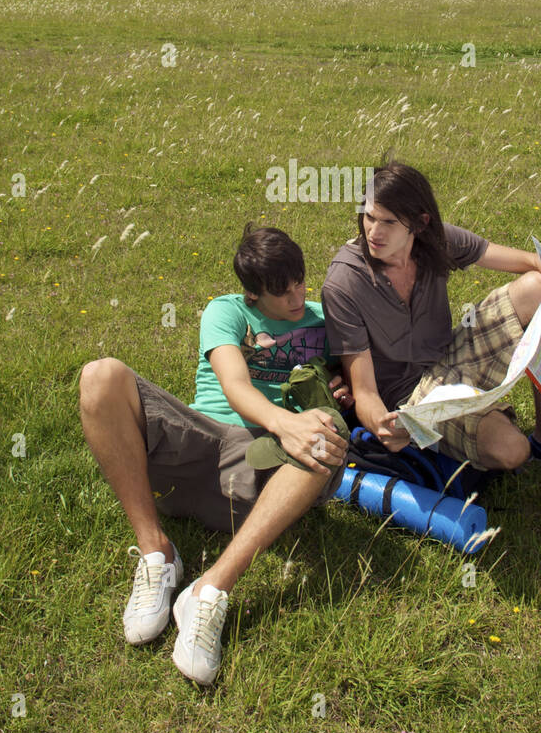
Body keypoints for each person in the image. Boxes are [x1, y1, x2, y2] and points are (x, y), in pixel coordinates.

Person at [79, 223, 351, 687]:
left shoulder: (325, 321)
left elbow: (350, 382)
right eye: (279, 292)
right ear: (251, 294)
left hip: (256, 473)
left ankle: (209, 590)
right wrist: (285, 422)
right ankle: (157, 554)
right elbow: (235, 386)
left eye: (300, 283)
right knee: (101, 375)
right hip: (200, 441)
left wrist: (335, 393)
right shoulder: (225, 311)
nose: (294, 299)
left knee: (331, 437)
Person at [321, 161, 541, 480]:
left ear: (419, 223)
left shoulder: (435, 241)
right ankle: (481, 429)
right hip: (411, 398)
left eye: (388, 222)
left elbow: (521, 259)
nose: (374, 231)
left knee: (540, 289)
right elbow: (366, 392)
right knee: (512, 450)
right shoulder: (345, 282)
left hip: (451, 356)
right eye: (369, 217)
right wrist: (382, 425)